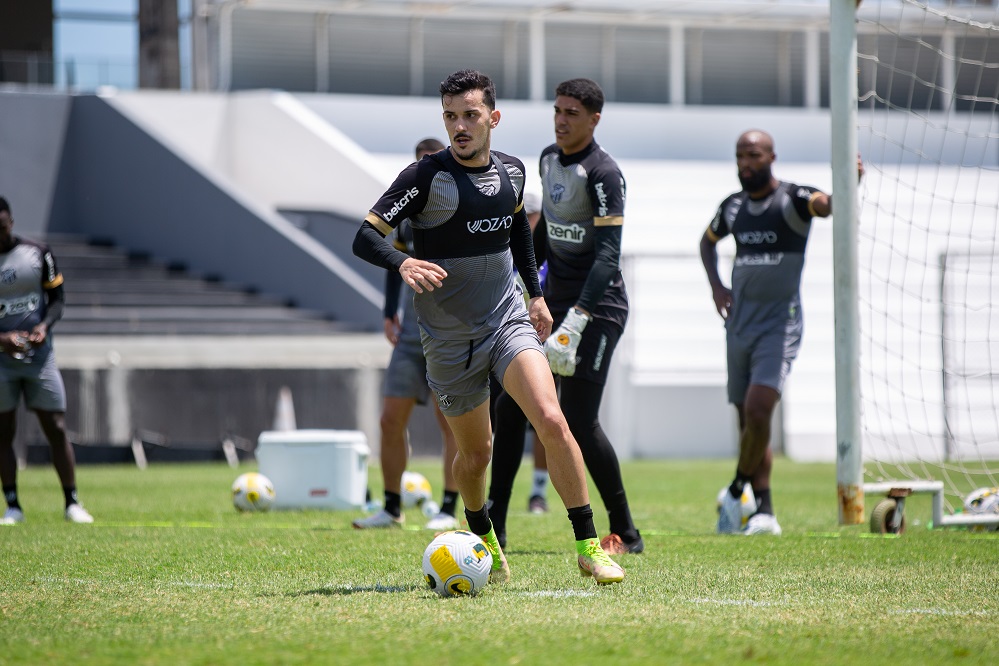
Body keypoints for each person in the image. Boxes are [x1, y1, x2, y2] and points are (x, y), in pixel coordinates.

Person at [352, 69, 624, 585]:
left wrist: (536, 294)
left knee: (552, 416)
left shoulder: (515, 173)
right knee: (477, 455)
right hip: (447, 335)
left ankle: (590, 545)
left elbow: (519, 230)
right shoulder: (424, 178)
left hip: (506, 319)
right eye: (451, 116)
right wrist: (401, 263)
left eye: (470, 115)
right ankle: (484, 536)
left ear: (492, 118)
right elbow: (365, 236)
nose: (460, 126)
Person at [487, 78, 643, 556]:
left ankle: (626, 532)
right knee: (510, 407)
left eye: (572, 112)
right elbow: (549, 237)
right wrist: (534, 291)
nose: (561, 119)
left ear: (594, 118)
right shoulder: (547, 159)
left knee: (577, 418)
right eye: (557, 109)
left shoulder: (604, 174)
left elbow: (608, 258)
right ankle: (495, 526)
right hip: (553, 306)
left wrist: (577, 319)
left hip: (599, 309)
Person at [700, 130, 864, 536]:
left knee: (759, 410)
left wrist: (849, 181)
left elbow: (828, 206)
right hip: (739, 326)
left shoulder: (792, 198)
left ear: (772, 156)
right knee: (747, 422)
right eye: (740, 155)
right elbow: (707, 243)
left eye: (753, 155)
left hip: (779, 324)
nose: (745, 163)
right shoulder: (733, 207)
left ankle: (738, 489)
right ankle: (763, 511)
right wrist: (717, 286)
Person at [353, 138, 463, 532]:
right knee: (389, 419)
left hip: (450, 328)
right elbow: (393, 262)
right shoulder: (406, 210)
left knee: (449, 420)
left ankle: (450, 506)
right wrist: (388, 313)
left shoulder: (458, 206)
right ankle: (392, 507)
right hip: (411, 330)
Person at [0, 196, 94, 525]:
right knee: (3, 431)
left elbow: (57, 299)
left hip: (40, 357)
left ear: (10, 221)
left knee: (55, 426)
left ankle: (72, 502)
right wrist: (3, 340)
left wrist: (43, 326)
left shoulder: (38, 253)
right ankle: (12, 505)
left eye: (2, 227)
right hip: (1, 361)